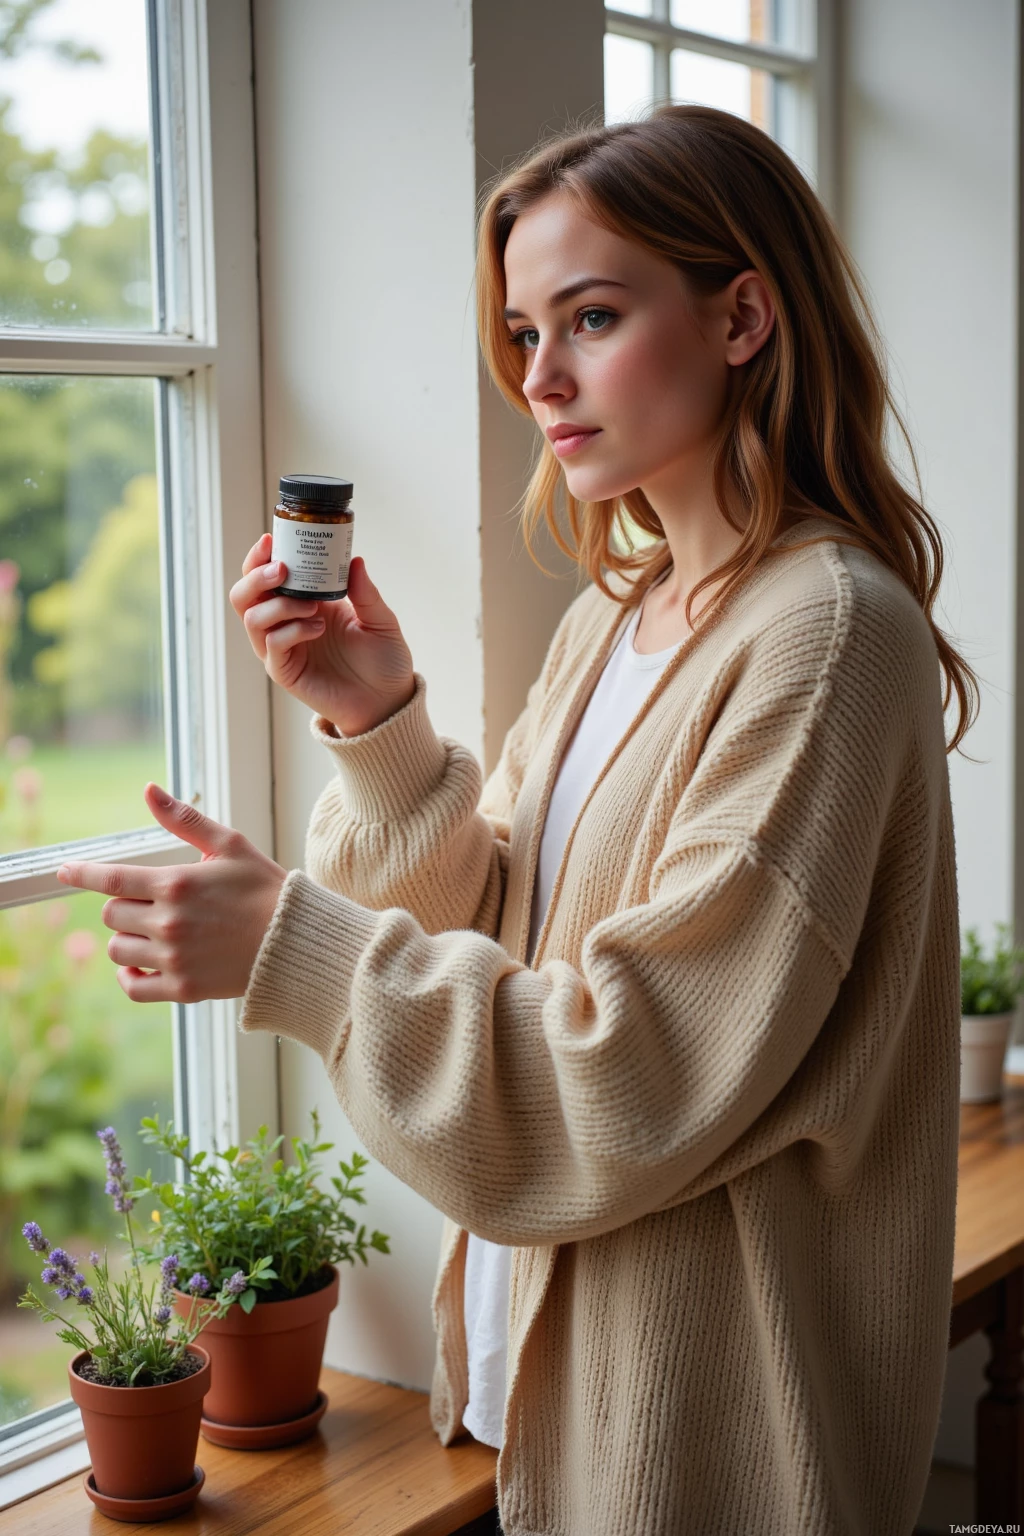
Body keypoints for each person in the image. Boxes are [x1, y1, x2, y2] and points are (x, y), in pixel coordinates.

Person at [60, 104, 979, 1535]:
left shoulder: (826, 635)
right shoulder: (623, 619)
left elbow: (634, 1065)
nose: (541, 377)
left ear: (743, 316)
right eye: (521, 333)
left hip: (715, 1447)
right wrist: (377, 721)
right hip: (553, 1413)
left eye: (591, 316)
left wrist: (293, 949)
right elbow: (497, 932)